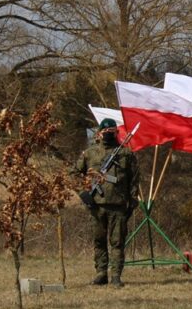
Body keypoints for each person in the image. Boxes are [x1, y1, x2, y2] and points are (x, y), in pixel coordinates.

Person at [73, 118, 140, 288]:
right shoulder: (90, 153)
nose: (109, 135)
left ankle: (116, 275)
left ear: (117, 133)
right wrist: (82, 193)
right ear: (99, 133)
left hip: (118, 205)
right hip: (96, 205)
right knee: (99, 241)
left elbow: (134, 179)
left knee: (117, 242)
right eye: (106, 132)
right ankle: (101, 273)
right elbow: (73, 173)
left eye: (112, 132)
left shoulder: (126, 154)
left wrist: (132, 200)